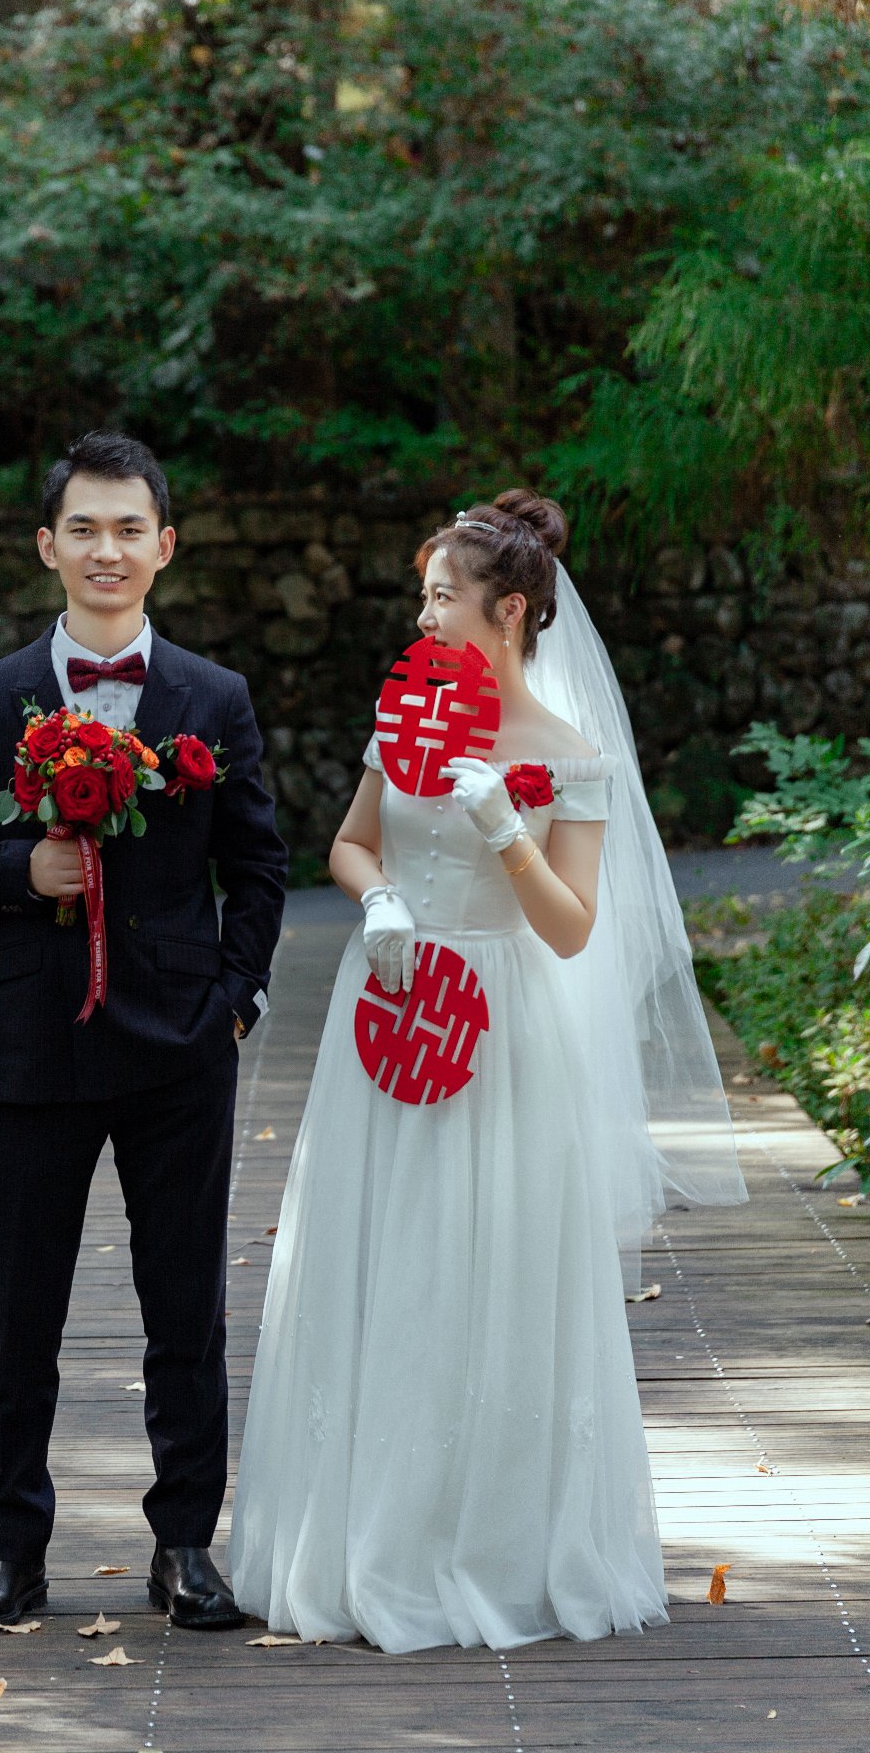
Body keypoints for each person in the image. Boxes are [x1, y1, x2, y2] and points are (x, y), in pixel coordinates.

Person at [228, 489, 745, 1653]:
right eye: (422, 597)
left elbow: (570, 928)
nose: (422, 617)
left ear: (507, 611)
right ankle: (364, 1537)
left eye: (441, 597)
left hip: (503, 1021)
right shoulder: (405, 717)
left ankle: (492, 1541)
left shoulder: (571, 759)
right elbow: (352, 842)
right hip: (391, 1000)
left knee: (484, 1259)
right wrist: (380, 902)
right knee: (384, 1250)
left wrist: (508, 833)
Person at [0, 429, 288, 1633]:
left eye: (130, 528)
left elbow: (260, 867)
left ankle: (185, 1545)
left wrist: (235, 1001)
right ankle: (6, 1551)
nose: (106, 549)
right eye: (84, 528)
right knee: (18, 1311)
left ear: (164, 546)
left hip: (180, 1043)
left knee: (186, 1309)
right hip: (37, 1044)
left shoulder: (215, 699)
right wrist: (22, 871)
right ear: (48, 546)